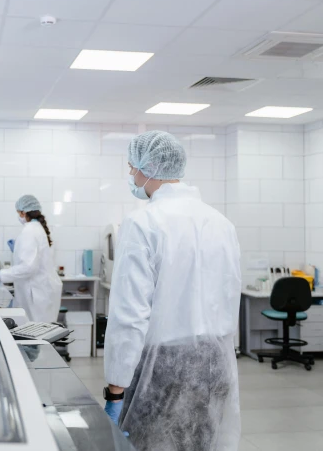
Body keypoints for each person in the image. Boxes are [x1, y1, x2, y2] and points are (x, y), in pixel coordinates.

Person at [103, 130, 242, 451]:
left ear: (148, 167)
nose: (129, 173)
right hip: (216, 363)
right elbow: (228, 294)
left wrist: (115, 388)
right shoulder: (221, 223)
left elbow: (130, 315)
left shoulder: (143, 223)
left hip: (164, 369)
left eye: (131, 166)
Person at [0, 195, 62, 323]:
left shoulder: (30, 231)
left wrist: (0, 275)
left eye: (18, 213)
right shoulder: (37, 228)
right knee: (40, 334)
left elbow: (28, 268)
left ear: (23, 212)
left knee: (35, 335)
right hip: (42, 291)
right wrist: (18, 249)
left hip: (36, 295)